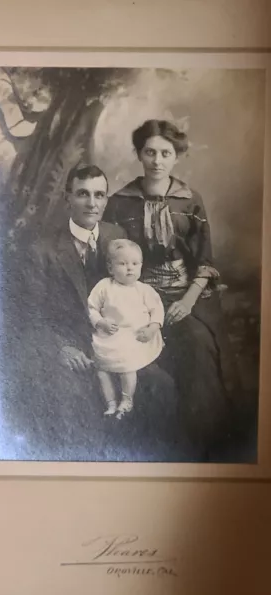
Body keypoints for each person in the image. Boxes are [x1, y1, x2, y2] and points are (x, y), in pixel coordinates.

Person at [0, 163, 176, 461]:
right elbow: (30, 315)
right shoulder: (42, 250)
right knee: (71, 398)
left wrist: (145, 328)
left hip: (118, 343)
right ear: (68, 197)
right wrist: (63, 348)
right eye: (82, 194)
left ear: (106, 199)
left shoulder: (116, 235)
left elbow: (132, 293)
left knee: (162, 387)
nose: (92, 203)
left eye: (99, 195)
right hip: (69, 344)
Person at [104, 119, 239, 458]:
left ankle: (203, 446)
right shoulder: (121, 202)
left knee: (197, 346)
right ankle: (145, 445)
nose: (157, 160)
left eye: (165, 153)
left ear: (176, 156)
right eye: (149, 152)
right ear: (139, 154)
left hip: (184, 296)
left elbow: (205, 260)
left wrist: (188, 302)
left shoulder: (191, 200)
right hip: (134, 297)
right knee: (137, 357)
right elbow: (112, 255)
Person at [88, 239, 164, 419]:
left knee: (127, 366)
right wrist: (100, 322)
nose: (129, 268)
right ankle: (110, 403)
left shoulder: (144, 290)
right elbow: (91, 308)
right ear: (110, 267)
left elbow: (157, 311)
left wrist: (152, 328)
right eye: (122, 263)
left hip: (135, 336)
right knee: (101, 369)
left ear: (141, 266)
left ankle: (126, 399)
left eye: (135, 264)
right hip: (109, 336)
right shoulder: (104, 286)